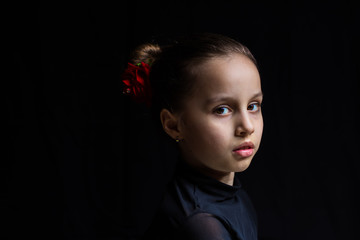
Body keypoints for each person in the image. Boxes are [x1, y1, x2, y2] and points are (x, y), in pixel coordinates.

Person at [121, 33, 263, 240]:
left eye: (253, 106)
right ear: (173, 125)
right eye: (222, 110)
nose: (247, 126)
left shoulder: (228, 193)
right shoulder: (201, 224)